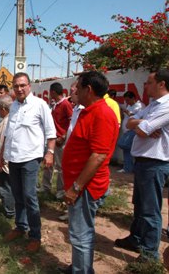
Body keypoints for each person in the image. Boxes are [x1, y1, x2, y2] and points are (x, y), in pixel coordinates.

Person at [60, 71, 119, 274]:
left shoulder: (101, 114)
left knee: (80, 234)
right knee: (80, 232)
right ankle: (80, 267)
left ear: (89, 89)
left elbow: (99, 156)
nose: (73, 89)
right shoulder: (90, 110)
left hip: (86, 187)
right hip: (80, 184)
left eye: (77, 86)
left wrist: (76, 187)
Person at [0, 72, 56, 252]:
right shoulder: (13, 105)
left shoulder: (40, 105)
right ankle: (21, 227)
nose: (19, 89)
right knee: (17, 195)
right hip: (13, 158)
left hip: (30, 158)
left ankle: (35, 236)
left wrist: (50, 153)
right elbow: (9, 133)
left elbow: (50, 132)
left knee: (30, 197)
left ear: (29, 86)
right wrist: (1, 154)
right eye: (16, 86)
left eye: (22, 85)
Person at [115, 69, 169, 262]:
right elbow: (130, 123)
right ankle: (136, 239)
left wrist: (143, 125)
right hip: (143, 162)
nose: (145, 86)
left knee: (150, 210)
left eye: (149, 82)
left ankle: (149, 254)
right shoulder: (153, 105)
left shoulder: (167, 105)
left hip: (155, 162)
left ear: (161, 84)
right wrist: (143, 123)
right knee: (139, 205)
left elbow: (144, 131)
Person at [40, 82, 73, 199]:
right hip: (53, 140)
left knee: (60, 167)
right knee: (48, 164)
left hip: (60, 140)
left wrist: (63, 137)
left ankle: (60, 191)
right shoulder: (55, 105)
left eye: (50, 92)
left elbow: (71, 123)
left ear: (53, 92)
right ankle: (45, 186)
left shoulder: (65, 104)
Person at [58, 79, 85, 222]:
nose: (71, 93)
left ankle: (75, 214)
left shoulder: (85, 110)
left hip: (79, 156)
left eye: (74, 90)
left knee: (76, 186)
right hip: (69, 151)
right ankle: (71, 211)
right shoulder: (75, 108)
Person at [117, 91, 146, 173]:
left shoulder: (140, 106)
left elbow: (138, 118)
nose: (127, 102)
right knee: (126, 149)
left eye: (128, 100)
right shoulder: (129, 105)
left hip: (133, 130)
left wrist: (127, 112)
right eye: (126, 101)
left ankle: (130, 167)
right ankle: (127, 167)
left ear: (133, 98)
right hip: (127, 130)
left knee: (123, 144)